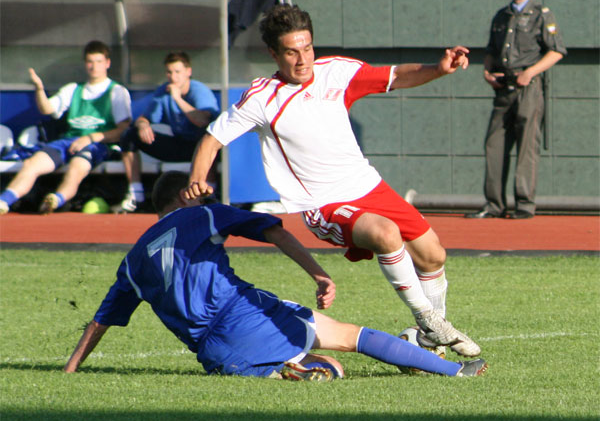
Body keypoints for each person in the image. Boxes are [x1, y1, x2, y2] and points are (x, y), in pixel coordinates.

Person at [184, 4, 481, 359]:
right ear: (274, 54)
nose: (302, 59)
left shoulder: (336, 72)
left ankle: (428, 343)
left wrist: (438, 69)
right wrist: (197, 179)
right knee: (385, 234)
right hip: (322, 204)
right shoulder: (262, 97)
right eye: (291, 52)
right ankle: (428, 319)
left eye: (307, 48)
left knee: (433, 256)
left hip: (369, 186)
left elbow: (395, 76)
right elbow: (212, 139)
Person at [64, 171, 488, 379]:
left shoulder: (134, 259)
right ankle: (453, 371)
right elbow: (273, 229)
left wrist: (70, 370)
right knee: (349, 338)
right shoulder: (202, 214)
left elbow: (101, 321)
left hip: (214, 354)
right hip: (243, 314)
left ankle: (288, 367)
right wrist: (319, 274)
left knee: (331, 367)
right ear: (186, 196)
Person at [466, 0, 566, 220]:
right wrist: (487, 72)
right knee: (494, 144)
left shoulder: (541, 13)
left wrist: (530, 72)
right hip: (503, 88)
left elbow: (556, 51)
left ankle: (524, 204)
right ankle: (493, 204)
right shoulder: (502, 16)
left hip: (528, 88)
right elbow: (490, 51)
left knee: (526, 147)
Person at [0, 41, 131, 215]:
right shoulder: (73, 89)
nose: (94, 67)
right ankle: (4, 201)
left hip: (97, 144)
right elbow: (48, 109)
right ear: (85, 64)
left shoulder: (117, 92)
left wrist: (91, 138)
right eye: (90, 62)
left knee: (77, 167)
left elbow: (123, 129)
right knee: (32, 163)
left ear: (107, 63)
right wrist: (39, 89)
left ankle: (56, 199)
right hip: (67, 142)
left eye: (99, 62)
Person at [114, 52, 219, 213]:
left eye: (177, 72)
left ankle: (210, 195)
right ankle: (137, 194)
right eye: (169, 72)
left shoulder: (199, 91)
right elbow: (145, 118)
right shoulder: (164, 90)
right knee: (130, 135)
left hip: (202, 147)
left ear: (188, 72)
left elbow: (203, 120)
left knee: (208, 137)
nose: (173, 77)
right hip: (179, 144)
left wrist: (178, 99)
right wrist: (143, 125)